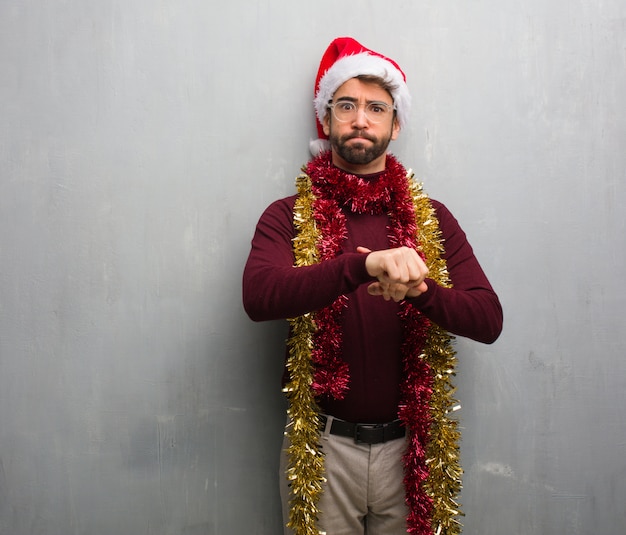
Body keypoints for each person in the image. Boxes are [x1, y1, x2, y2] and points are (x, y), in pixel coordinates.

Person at [242, 36, 503, 535]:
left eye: (375, 108)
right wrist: (360, 267)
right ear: (326, 119)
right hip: (322, 447)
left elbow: (488, 320)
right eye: (346, 105)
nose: (360, 119)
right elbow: (259, 296)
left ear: (395, 124)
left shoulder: (433, 219)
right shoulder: (288, 215)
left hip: (412, 451)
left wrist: (420, 290)